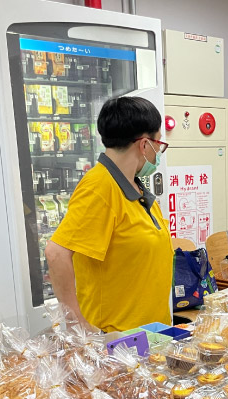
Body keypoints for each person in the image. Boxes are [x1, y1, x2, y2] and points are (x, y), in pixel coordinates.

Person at [45, 96, 173, 332]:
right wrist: (77, 325)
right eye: (158, 145)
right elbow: (56, 253)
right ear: (144, 145)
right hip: (118, 340)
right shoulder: (100, 187)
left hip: (151, 334)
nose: (158, 153)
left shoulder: (134, 187)